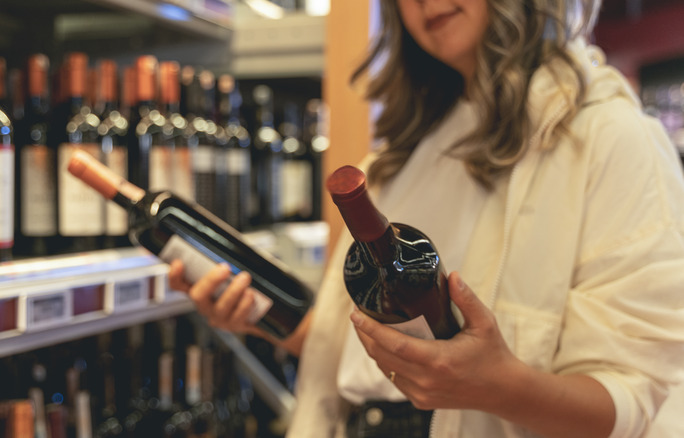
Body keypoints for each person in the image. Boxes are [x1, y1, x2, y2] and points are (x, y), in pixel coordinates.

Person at [169, 0, 684, 436]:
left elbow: (638, 403)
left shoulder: (611, 140)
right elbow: (380, 366)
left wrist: (499, 387)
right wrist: (260, 317)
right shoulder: (401, 156)